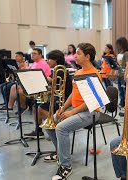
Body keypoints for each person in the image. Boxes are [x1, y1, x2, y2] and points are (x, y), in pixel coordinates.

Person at [44, 43, 101, 180]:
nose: (75, 55)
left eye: (78, 53)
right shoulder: (78, 72)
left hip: (90, 112)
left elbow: (91, 102)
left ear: (87, 56)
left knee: (61, 128)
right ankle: (61, 153)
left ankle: (66, 166)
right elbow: (73, 95)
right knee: (49, 123)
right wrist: (63, 108)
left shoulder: (94, 74)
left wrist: (72, 112)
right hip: (76, 109)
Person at [24, 50, 72, 138]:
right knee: (36, 104)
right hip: (58, 95)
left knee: (40, 108)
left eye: (49, 59)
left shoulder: (60, 70)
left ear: (56, 60)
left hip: (63, 98)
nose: (47, 61)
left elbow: (47, 80)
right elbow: (55, 86)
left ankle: (56, 126)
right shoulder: (57, 69)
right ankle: (39, 130)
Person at [0, 48, 51, 113]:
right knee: (14, 87)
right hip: (34, 83)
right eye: (31, 53)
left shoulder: (42, 63)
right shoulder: (35, 63)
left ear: (40, 55)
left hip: (41, 85)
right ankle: (10, 107)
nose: (32, 55)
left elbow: (38, 77)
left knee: (20, 90)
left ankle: (23, 106)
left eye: (34, 54)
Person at [115, 37, 128, 111]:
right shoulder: (119, 53)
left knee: (125, 89)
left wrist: (126, 74)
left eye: (119, 44)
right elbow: (117, 64)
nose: (118, 45)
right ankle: (122, 102)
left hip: (124, 74)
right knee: (120, 89)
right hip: (119, 74)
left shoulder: (127, 53)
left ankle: (127, 103)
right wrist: (116, 71)